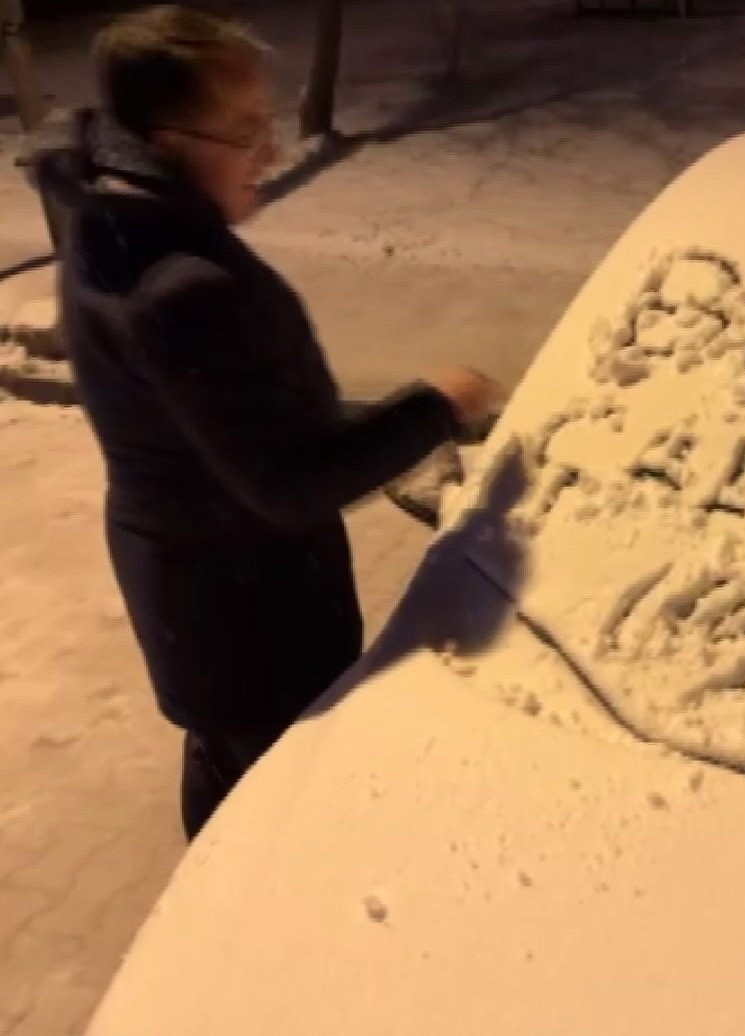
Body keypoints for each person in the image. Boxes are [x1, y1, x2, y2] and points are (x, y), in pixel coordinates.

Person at [32, 5, 499, 840]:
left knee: (222, 771)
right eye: (245, 131)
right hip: (254, 624)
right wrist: (438, 406)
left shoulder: (103, 229)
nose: (269, 151)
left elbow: (233, 423)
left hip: (193, 600)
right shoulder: (186, 287)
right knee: (281, 827)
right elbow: (288, 483)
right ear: (169, 141)